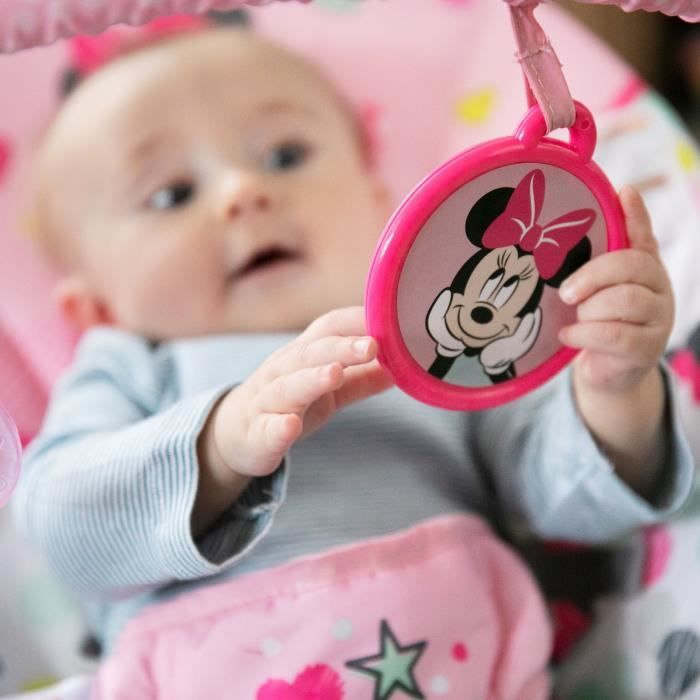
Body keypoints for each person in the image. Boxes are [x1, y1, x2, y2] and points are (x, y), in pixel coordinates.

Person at [14, 14, 693, 698]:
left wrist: (614, 389)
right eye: (171, 195)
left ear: (379, 208)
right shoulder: (131, 365)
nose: (241, 193)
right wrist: (217, 447)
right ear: (96, 310)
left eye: (285, 156)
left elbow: (564, 505)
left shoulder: (436, 338)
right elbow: (65, 530)